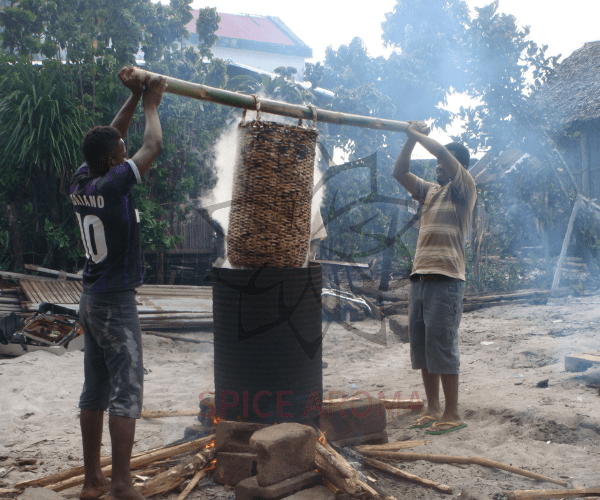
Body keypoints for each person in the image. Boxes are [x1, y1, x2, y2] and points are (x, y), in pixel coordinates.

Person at [71, 68, 167, 500]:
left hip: (89, 300)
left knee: (94, 388)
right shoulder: (114, 184)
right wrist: (151, 103)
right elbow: (153, 145)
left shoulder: (83, 181)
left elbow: (113, 136)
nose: (126, 151)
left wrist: (132, 96)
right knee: (126, 392)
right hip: (114, 302)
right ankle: (123, 485)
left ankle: (93, 482)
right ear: (114, 161)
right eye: (121, 152)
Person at [393, 121, 477, 435]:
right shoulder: (430, 191)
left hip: (447, 278)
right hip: (421, 278)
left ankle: (452, 413)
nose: (438, 166)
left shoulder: (464, 189)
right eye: (438, 164)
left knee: (442, 346)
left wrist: (419, 134)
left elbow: (441, 150)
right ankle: (432, 407)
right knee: (424, 347)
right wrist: (409, 140)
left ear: (457, 167)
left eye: (443, 164)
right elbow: (399, 173)